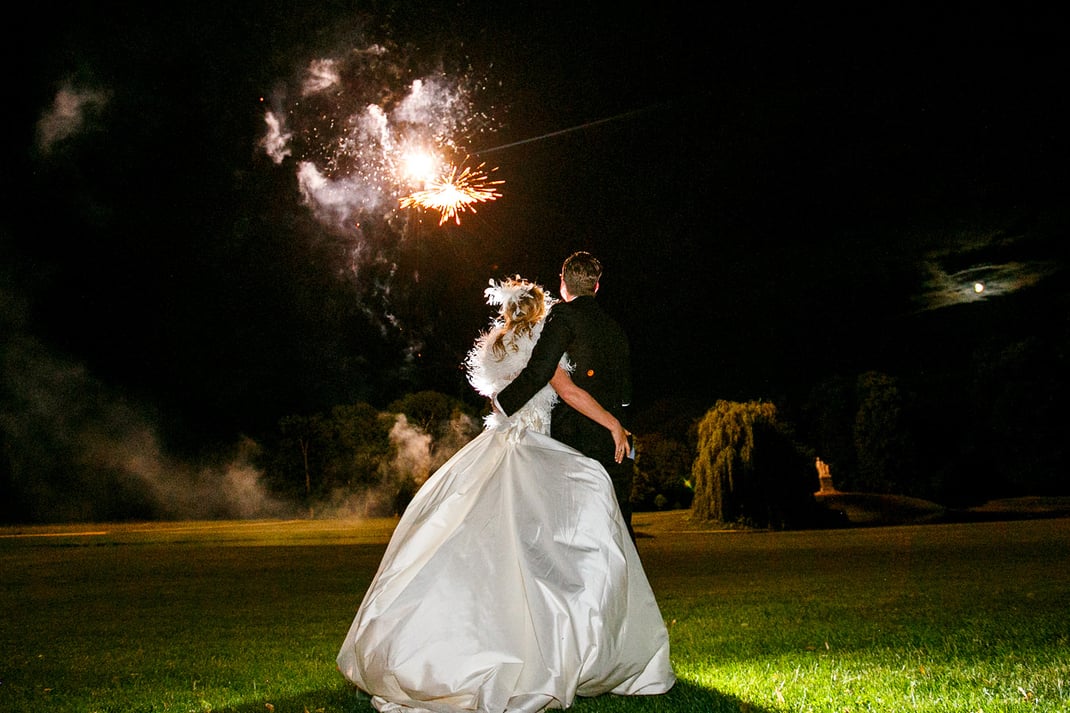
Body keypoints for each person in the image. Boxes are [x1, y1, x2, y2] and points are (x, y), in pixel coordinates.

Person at [336, 276, 675, 713]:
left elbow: (497, 397)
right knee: (577, 506)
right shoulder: (538, 345)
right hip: (531, 448)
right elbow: (567, 390)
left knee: (481, 540)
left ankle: (465, 637)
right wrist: (613, 423)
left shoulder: (495, 344)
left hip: (497, 442)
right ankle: (558, 644)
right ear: (539, 312)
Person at [495, 252, 636, 538]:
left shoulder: (562, 317)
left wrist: (503, 402)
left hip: (577, 439)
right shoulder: (614, 327)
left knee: (575, 528)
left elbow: (540, 371)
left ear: (563, 283)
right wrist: (617, 424)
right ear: (596, 286)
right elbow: (625, 394)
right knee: (618, 524)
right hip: (618, 441)